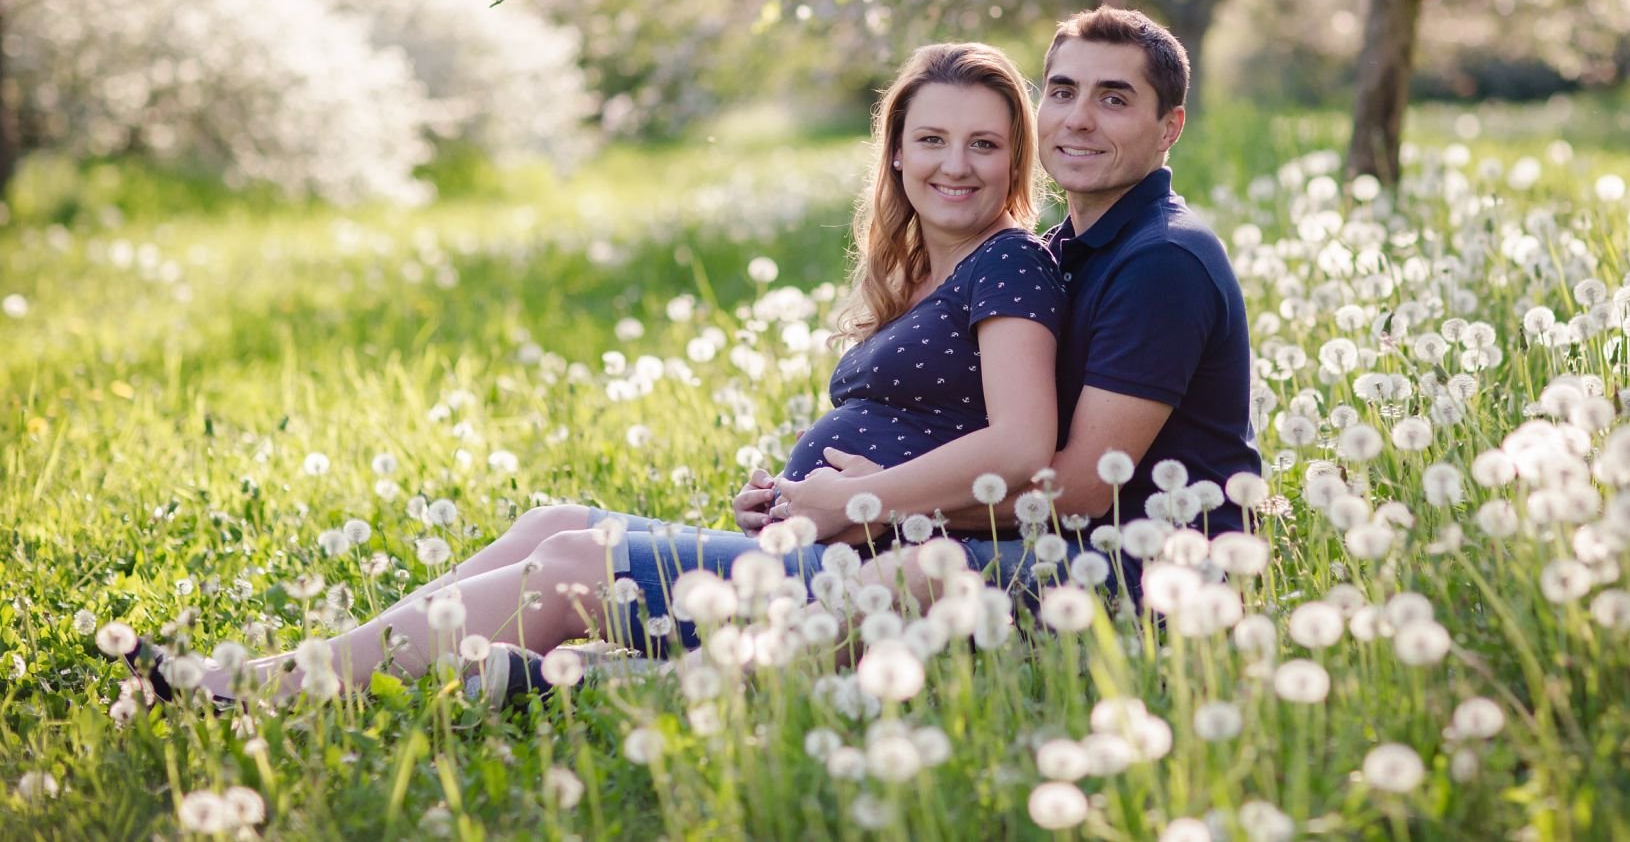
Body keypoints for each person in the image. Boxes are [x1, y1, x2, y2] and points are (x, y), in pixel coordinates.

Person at [125, 41, 1064, 705]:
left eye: (983, 143)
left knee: (576, 565)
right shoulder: (923, 272)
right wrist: (792, 498)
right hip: (822, 544)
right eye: (932, 139)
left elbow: (1021, 445)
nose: (954, 164)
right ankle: (331, 666)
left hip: (868, 578)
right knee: (554, 521)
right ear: (895, 150)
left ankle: (281, 690)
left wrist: (855, 504)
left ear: (1015, 156)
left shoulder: (1009, 261)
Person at [770, 6, 1259, 602]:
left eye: (1113, 99)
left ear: (1169, 127)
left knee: (907, 577)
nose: (1078, 120)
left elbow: (1080, 492)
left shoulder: (1163, 260)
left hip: (1140, 577)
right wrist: (799, 498)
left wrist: (877, 502)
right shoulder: (1069, 249)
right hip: (1031, 550)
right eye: (1062, 92)